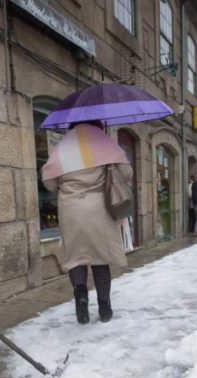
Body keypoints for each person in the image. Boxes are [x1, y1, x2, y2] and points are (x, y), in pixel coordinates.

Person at [41, 121, 133, 324]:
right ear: (98, 125)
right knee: (100, 259)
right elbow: (127, 174)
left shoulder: (62, 147)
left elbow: (48, 183)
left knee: (76, 256)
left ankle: (81, 299)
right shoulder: (105, 143)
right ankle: (104, 307)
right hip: (99, 208)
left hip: (71, 210)